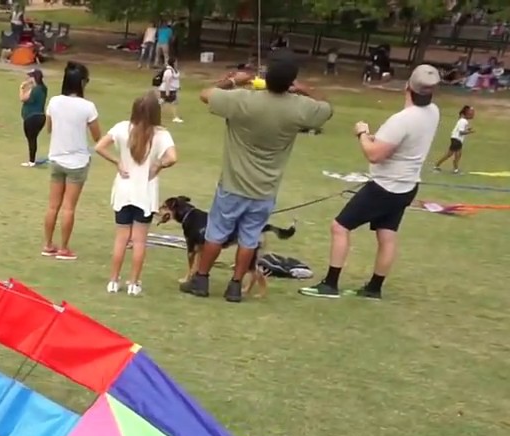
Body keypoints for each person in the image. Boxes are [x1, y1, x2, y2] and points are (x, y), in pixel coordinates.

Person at [180, 53, 333, 302]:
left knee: (216, 232)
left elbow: (205, 94)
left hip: (233, 183)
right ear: (290, 83)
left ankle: (201, 279)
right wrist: (306, 89)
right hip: (265, 188)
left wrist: (233, 81)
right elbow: (326, 109)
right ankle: (235, 285)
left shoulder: (243, 99)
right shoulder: (299, 107)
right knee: (250, 238)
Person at [301, 65, 441, 301]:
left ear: (407, 87)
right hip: (406, 186)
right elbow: (400, 144)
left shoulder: (402, 120)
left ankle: (330, 284)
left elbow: (374, 154)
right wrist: (379, 139)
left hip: (386, 186)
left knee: (339, 227)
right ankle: (374, 289)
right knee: (387, 235)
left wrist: (362, 133)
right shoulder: (433, 112)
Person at [93, 91, 177, 296]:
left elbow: (99, 146)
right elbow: (173, 157)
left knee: (121, 239)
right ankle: (134, 283)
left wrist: (117, 162)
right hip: (145, 195)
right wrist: (159, 165)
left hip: (123, 191)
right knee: (139, 241)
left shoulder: (122, 128)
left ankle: (113, 281)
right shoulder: (161, 134)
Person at [41, 61, 101, 261]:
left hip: (56, 158)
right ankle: (64, 248)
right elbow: (97, 137)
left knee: (53, 206)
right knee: (68, 207)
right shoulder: (88, 107)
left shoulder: (54, 102)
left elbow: (49, 128)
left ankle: (48, 244)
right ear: (82, 82)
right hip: (77, 161)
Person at [432, 104, 474, 173]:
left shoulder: (462, 120)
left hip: (456, 139)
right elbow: (461, 132)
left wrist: (468, 130)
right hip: (456, 140)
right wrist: (470, 132)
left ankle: (454, 169)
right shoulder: (463, 121)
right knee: (452, 154)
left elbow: (460, 130)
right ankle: (439, 166)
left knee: (457, 154)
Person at [19, 68, 47, 167]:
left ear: (34, 78)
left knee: (31, 139)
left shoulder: (35, 89)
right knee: (33, 138)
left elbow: (23, 98)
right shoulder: (43, 88)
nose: (28, 78)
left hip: (31, 117)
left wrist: (22, 88)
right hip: (41, 117)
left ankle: (31, 161)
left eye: (30, 77)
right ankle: (32, 159)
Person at [159, 57, 183, 123]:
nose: (177, 63)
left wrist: (178, 87)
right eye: (176, 62)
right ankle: (175, 117)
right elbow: (167, 81)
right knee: (173, 103)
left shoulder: (173, 70)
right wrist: (167, 91)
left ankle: (155, 114)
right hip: (168, 89)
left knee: (162, 102)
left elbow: (174, 80)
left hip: (171, 89)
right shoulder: (169, 71)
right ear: (173, 63)